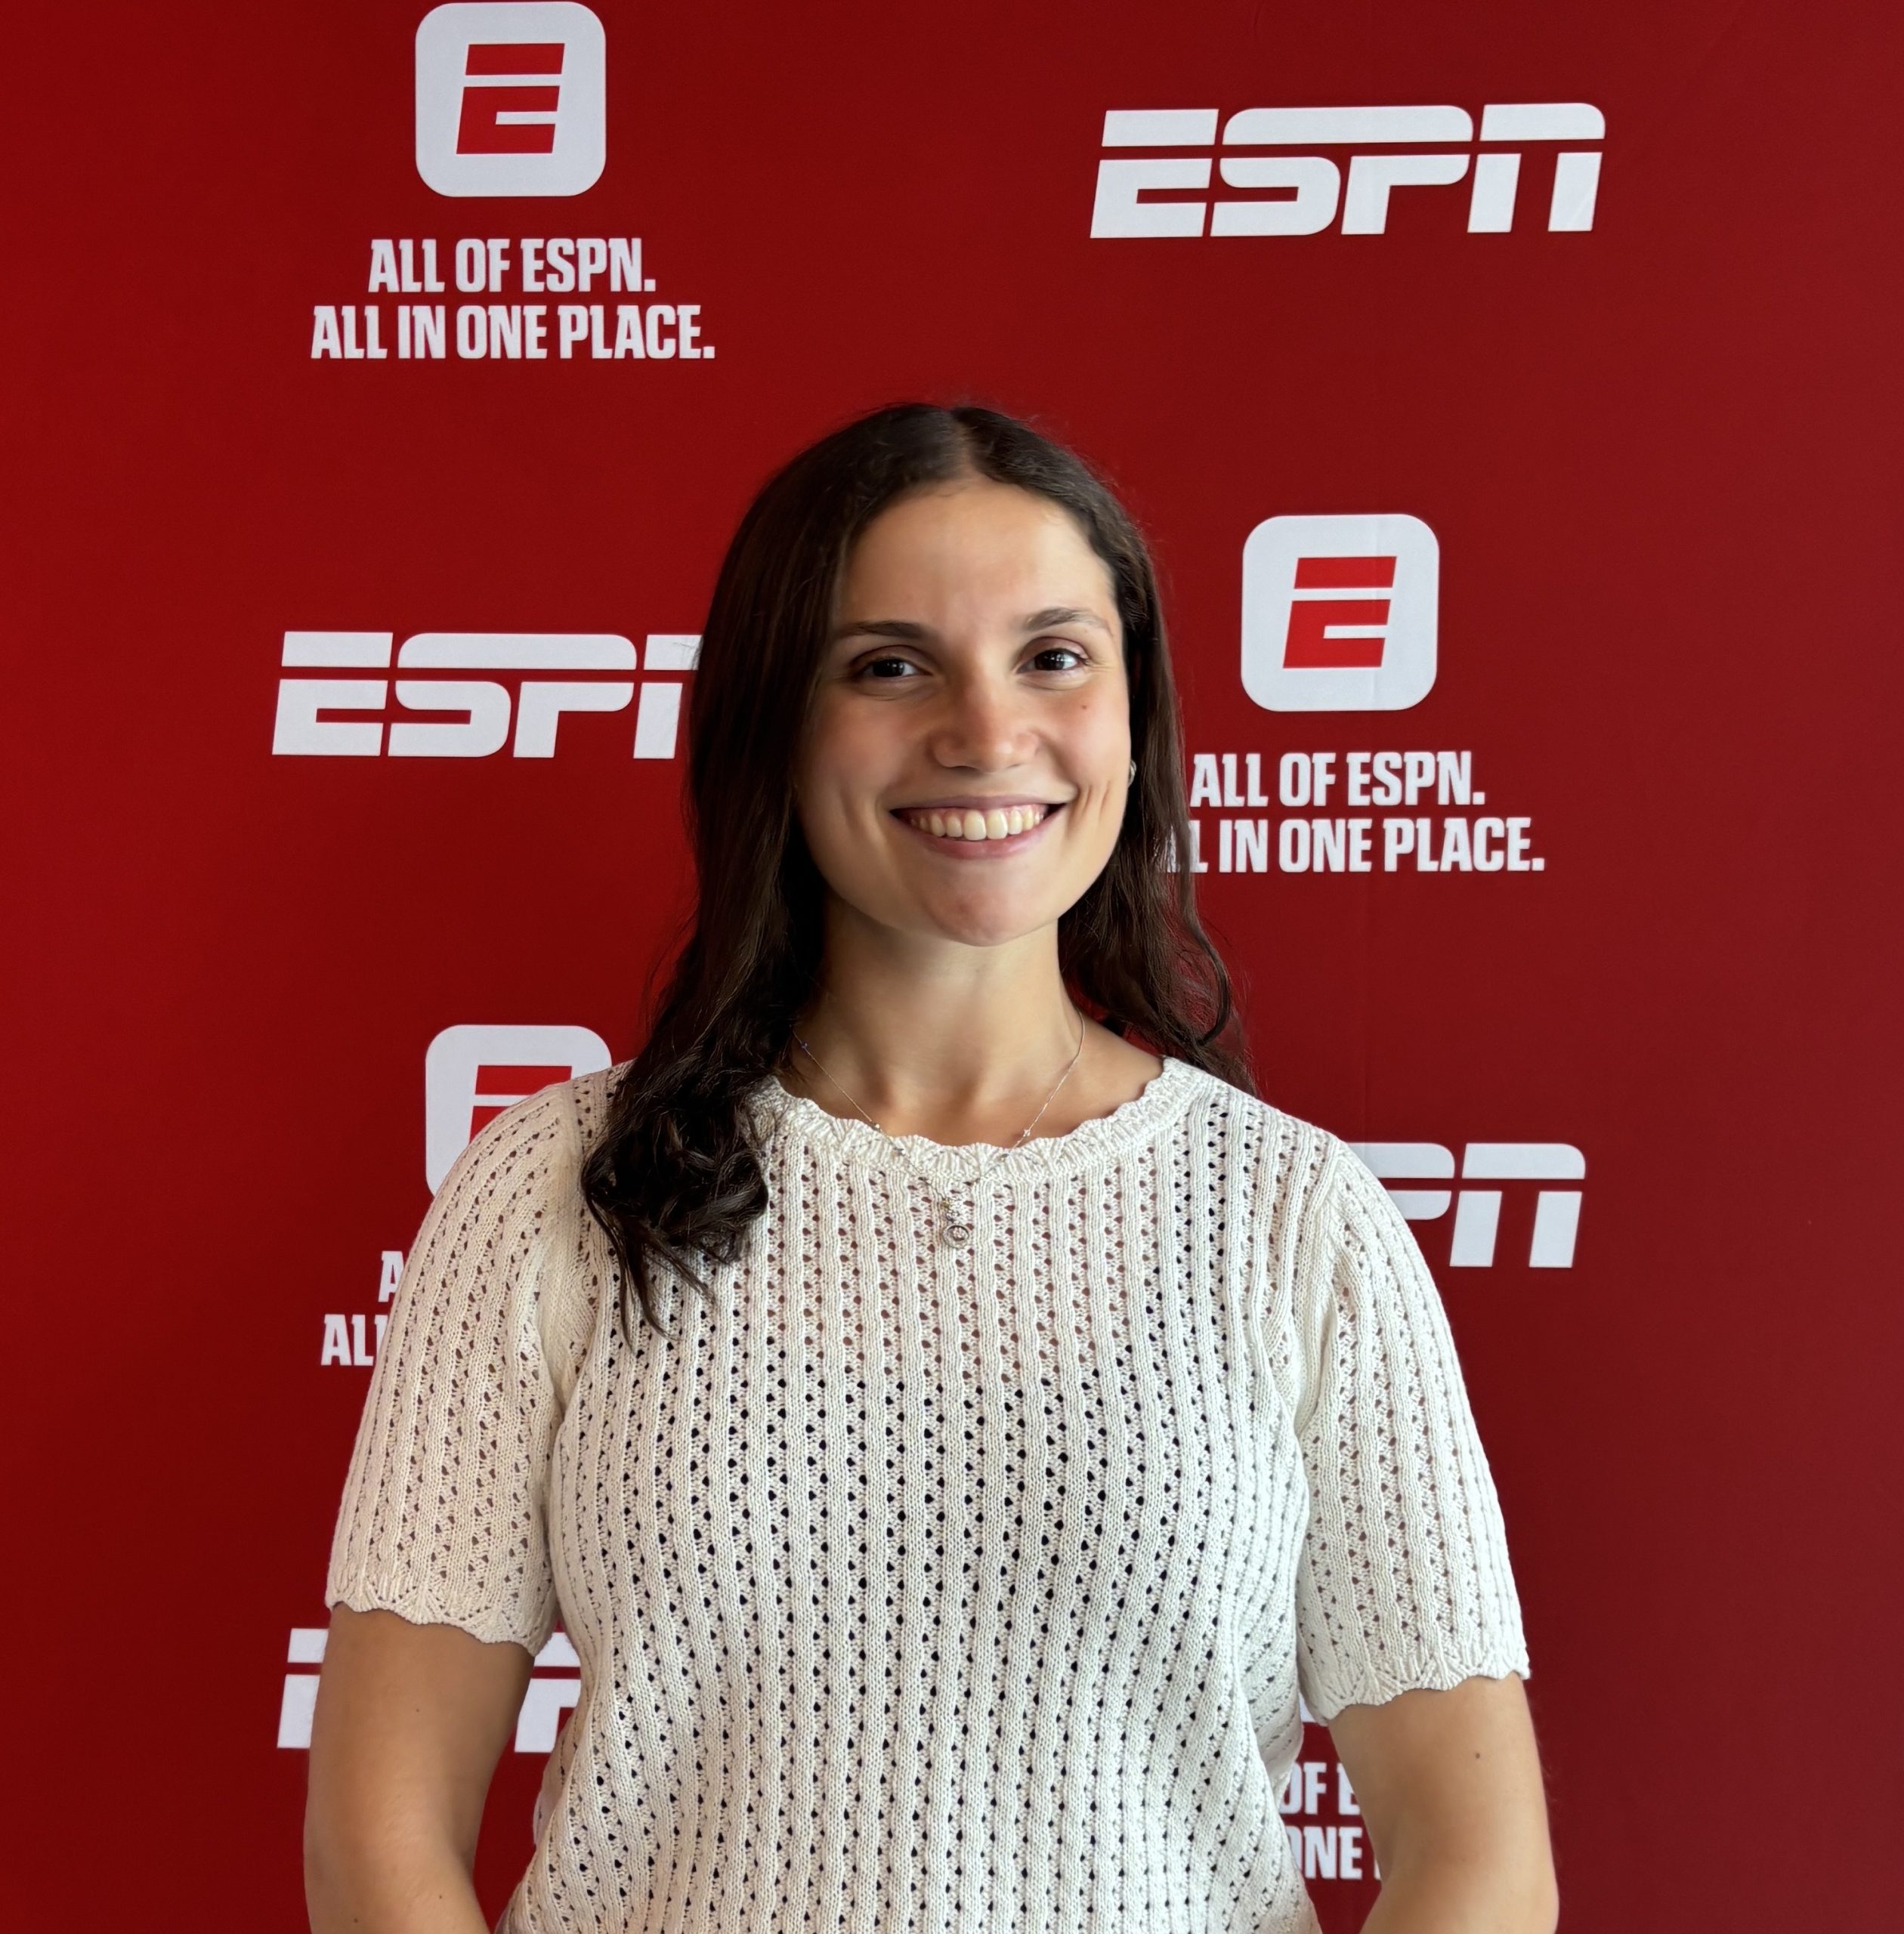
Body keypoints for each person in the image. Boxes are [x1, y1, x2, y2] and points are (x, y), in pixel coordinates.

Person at [304, 402, 1556, 1934]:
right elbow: (379, 1836)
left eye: (1053, 656)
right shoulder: (558, 1188)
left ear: (1134, 711)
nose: (984, 731)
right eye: (891, 664)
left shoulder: (1297, 1219)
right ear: (776, 717)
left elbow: (1478, 1860)